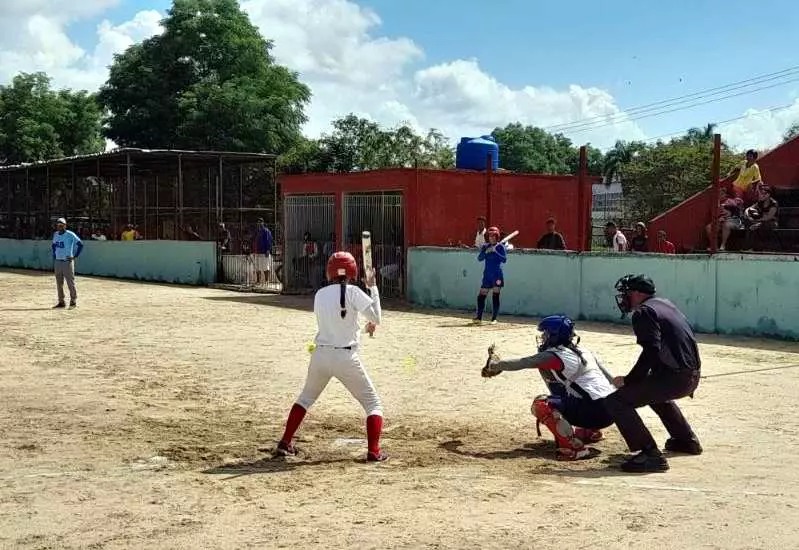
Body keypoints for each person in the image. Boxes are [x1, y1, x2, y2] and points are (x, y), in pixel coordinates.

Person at [273, 251, 387, 462]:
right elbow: (376, 317)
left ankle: (285, 441)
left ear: (329, 271)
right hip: (346, 358)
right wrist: (372, 286)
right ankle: (374, 451)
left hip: (320, 356)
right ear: (352, 270)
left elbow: (337, 325)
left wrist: (363, 328)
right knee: (373, 405)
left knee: (305, 399)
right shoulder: (354, 292)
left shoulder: (320, 295)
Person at [603, 274, 703, 473]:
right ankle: (685, 440)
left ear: (639, 294)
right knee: (655, 392)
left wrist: (630, 380)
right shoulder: (665, 304)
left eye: (627, 294)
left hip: (676, 378)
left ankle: (649, 454)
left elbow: (651, 351)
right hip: (691, 375)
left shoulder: (644, 312)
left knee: (616, 401)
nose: (624, 298)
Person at [481, 315, 616, 460]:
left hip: (594, 413)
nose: (543, 337)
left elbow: (525, 362)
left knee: (542, 404)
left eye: (545, 334)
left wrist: (494, 365)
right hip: (613, 411)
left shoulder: (554, 356)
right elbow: (611, 380)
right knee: (577, 389)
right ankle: (589, 432)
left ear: (554, 336)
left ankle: (574, 449)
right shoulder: (585, 351)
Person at [473, 226, 506, 325]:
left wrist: (495, 252)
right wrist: (486, 252)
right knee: (481, 296)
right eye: (490, 236)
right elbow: (479, 258)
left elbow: (504, 260)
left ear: (497, 237)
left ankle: (494, 319)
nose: (491, 238)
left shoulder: (500, 247)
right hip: (487, 275)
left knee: (495, 296)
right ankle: (479, 318)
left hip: (497, 275)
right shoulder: (485, 246)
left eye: (493, 236)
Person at [51, 217, 84, 309]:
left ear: (65, 225)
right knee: (59, 283)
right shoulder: (56, 234)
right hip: (58, 261)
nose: (59, 226)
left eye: (61, 225)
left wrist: (74, 256)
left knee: (70, 282)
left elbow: (80, 244)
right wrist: (55, 254)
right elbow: (54, 245)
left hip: (67, 261)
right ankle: (61, 301)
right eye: (58, 225)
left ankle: (73, 300)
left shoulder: (70, 234)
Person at [743, 185, 779, 250]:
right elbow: (749, 209)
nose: (761, 195)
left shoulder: (773, 203)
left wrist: (758, 222)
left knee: (763, 225)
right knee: (750, 224)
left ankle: (763, 247)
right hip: (760, 220)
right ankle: (750, 247)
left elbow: (769, 217)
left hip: (771, 222)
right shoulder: (760, 202)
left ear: (768, 194)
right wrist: (747, 213)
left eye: (763, 194)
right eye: (760, 194)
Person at [252, 218, 273, 285]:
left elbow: (269, 240)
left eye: (260, 222)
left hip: (264, 252)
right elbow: (254, 241)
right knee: (258, 267)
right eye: (258, 222)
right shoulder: (257, 231)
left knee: (265, 267)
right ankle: (258, 281)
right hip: (258, 251)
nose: (259, 223)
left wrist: (268, 249)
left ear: (263, 222)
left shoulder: (266, 231)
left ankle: (267, 281)